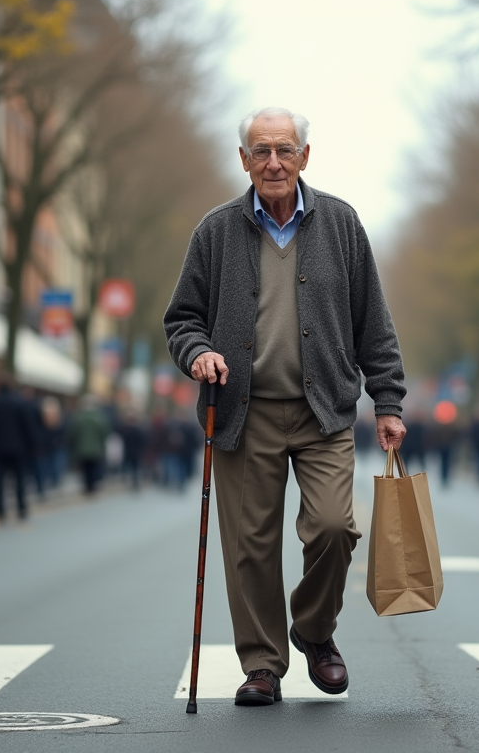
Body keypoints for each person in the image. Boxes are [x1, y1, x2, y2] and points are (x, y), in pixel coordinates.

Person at [164, 107, 407, 707]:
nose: (274, 162)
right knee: (250, 544)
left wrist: (388, 399)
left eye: (285, 149)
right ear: (244, 160)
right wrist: (197, 353)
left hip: (324, 410)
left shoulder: (342, 224)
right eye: (261, 151)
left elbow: (372, 323)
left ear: (305, 156)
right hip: (243, 413)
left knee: (333, 527)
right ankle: (263, 665)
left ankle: (314, 631)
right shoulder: (216, 231)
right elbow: (182, 319)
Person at [0, 375, 39, 522]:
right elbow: (28, 426)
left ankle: (0, 511)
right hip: (18, 448)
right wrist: (33, 444)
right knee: (19, 480)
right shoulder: (19, 403)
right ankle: (21, 508)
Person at [67, 395, 111, 495]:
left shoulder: (78, 416)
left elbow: (72, 433)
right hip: (95, 447)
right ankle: (92, 485)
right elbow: (104, 432)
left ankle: (87, 486)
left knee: (85, 468)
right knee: (94, 467)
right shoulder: (99, 417)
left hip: (81, 447)